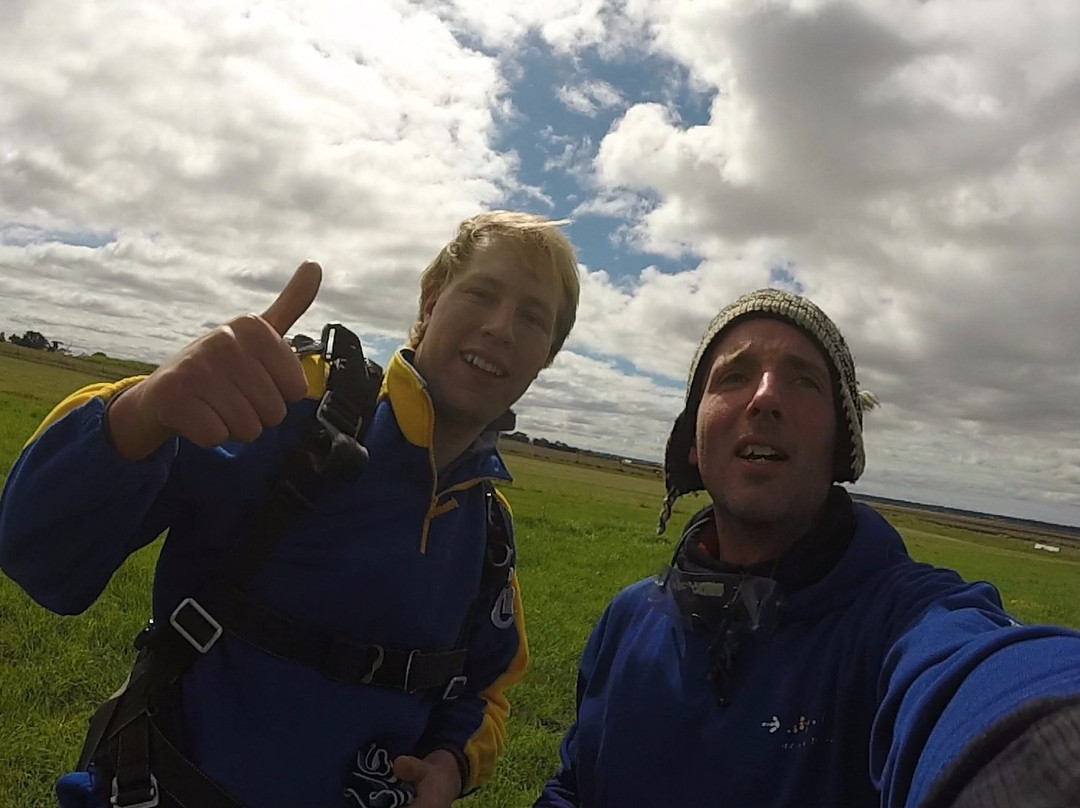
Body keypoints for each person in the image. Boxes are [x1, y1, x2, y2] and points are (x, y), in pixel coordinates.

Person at [0, 210, 581, 808]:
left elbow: (488, 687)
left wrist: (451, 765)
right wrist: (140, 413)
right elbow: (37, 558)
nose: (501, 327)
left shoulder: (488, 531)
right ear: (430, 303)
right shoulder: (288, 412)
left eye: (534, 318)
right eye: (481, 293)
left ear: (546, 357)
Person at [535, 288, 1080, 808]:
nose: (766, 396)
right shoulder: (628, 620)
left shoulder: (900, 623)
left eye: (803, 381)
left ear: (840, 446)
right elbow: (574, 787)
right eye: (734, 375)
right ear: (693, 443)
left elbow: (989, 680)